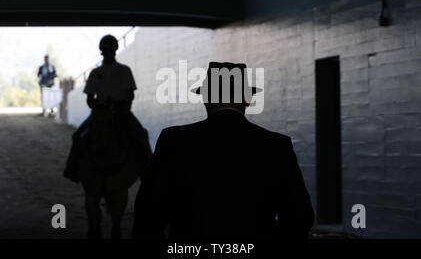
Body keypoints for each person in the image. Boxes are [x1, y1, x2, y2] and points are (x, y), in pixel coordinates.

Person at [132, 61, 314, 239]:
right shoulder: (276, 146)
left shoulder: (173, 140)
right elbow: (299, 215)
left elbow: (148, 213)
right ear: (248, 100)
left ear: (206, 99)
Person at [63, 35, 152, 239]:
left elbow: (130, 94)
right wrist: (99, 107)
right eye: (106, 50)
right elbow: (89, 98)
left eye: (111, 50)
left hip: (121, 113)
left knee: (140, 134)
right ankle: (72, 168)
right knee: (79, 136)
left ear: (114, 51)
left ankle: (148, 171)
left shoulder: (124, 71)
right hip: (100, 113)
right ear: (102, 51)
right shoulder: (96, 73)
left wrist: (121, 105)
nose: (108, 53)